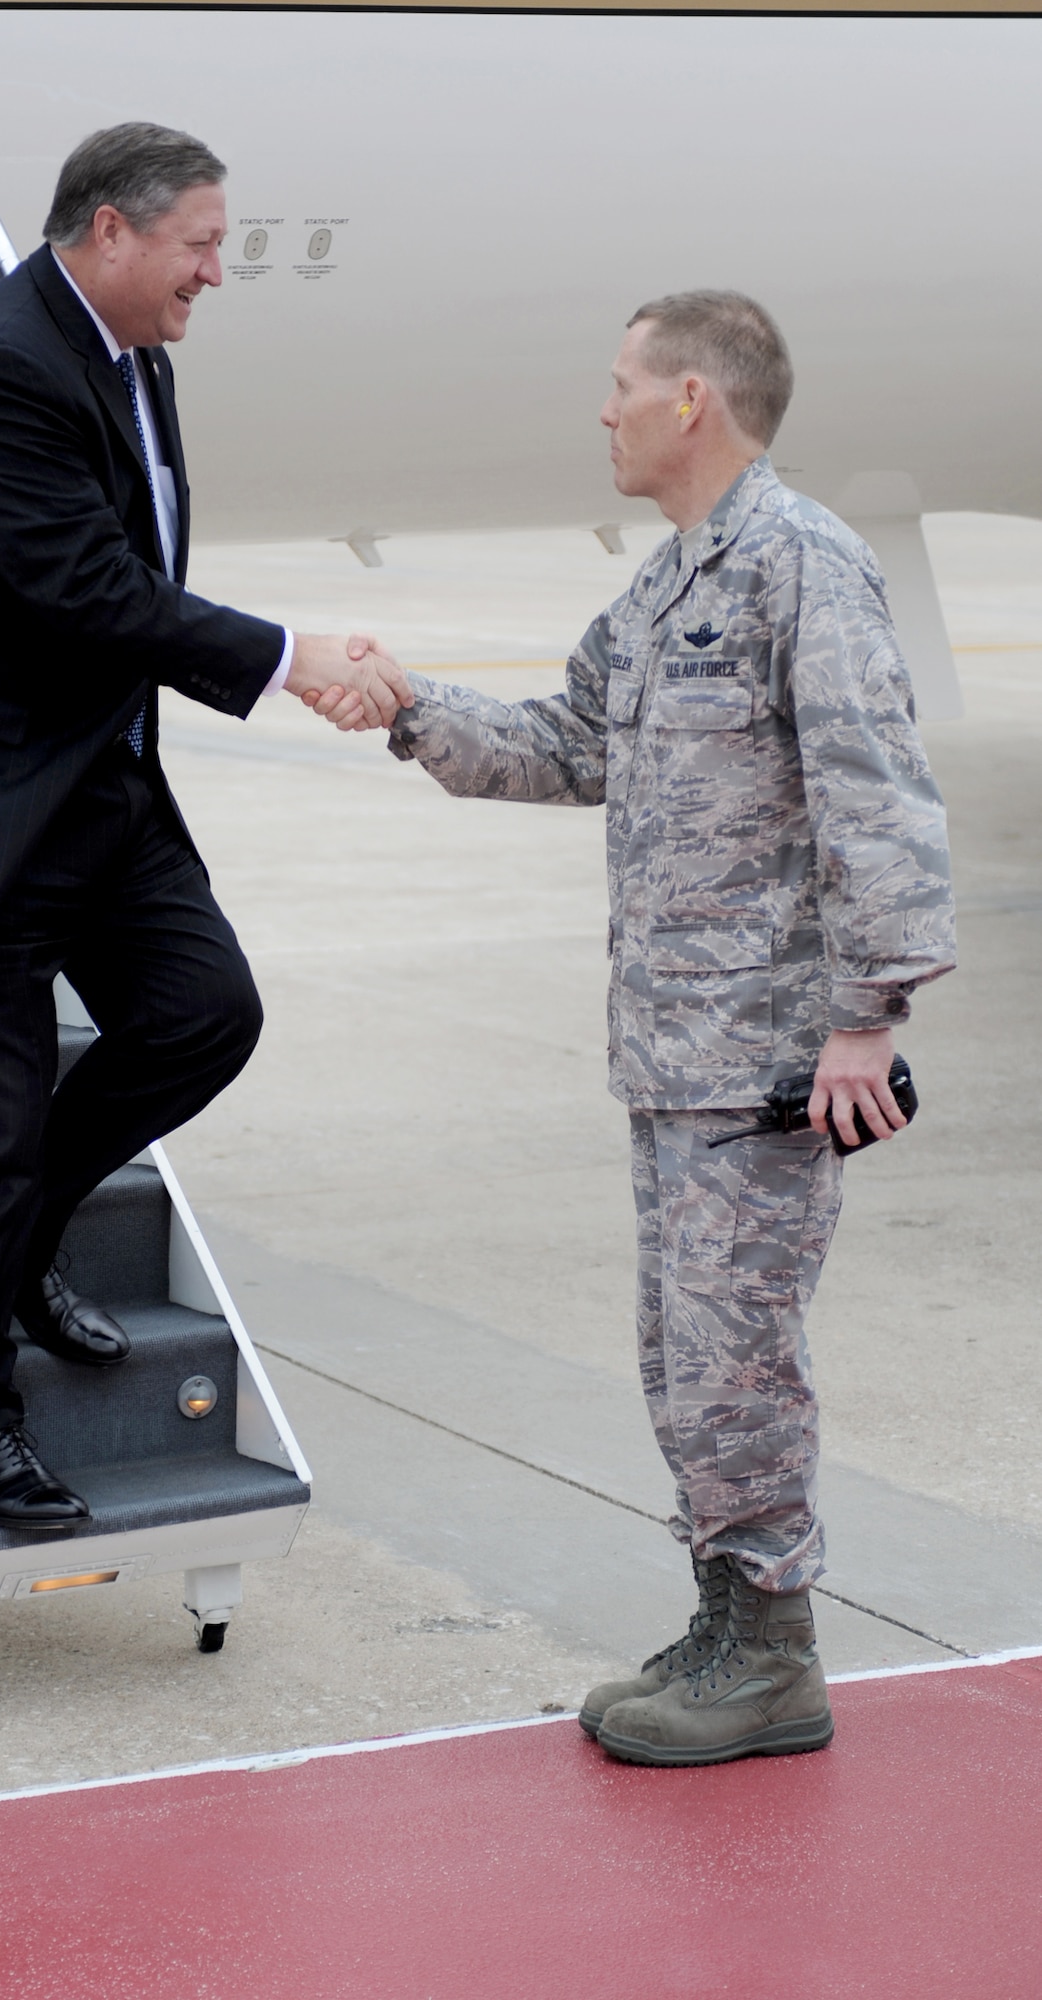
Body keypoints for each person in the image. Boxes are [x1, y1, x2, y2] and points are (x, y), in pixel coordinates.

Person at [315, 291, 956, 1765]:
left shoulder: (799, 565)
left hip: (771, 1060)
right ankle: (728, 1618)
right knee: (684, 1357)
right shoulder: (671, 590)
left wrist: (865, 1020)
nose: (600, 410)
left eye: (620, 385)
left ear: (692, 403)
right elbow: (564, 745)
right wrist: (411, 704)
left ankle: (773, 1654)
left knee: (737, 1357)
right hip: (675, 1057)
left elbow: (881, 800)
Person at [0, 123, 408, 1537]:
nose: (217, 269)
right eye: (200, 244)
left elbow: (122, 579)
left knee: (203, 1013)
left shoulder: (127, 351)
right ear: (108, 230)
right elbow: (87, 589)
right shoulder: (5, 370)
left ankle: (26, 1245)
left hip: (88, 782)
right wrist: (288, 656)